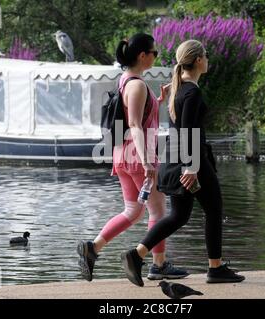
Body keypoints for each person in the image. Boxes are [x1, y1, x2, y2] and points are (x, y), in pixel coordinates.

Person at [120, 40, 246, 287]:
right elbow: (188, 130)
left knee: (179, 215)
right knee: (214, 209)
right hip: (192, 160)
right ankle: (215, 268)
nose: (208, 60)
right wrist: (192, 166)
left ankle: (136, 255)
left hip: (178, 158)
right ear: (198, 60)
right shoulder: (192, 91)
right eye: (206, 56)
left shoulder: (180, 90)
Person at [77, 33, 188, 282]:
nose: (155, 56)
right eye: (154, 53)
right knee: (158, 212)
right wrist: (148, 161)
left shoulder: (126, 80)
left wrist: (156, 101)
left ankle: (92, 248)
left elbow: (134, 115)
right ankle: (158, 265)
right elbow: (135, 124)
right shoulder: (137, 84)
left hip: (123, 154)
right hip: (138, 156)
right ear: (142, 55)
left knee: (132, 211)